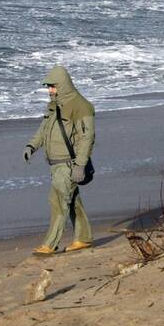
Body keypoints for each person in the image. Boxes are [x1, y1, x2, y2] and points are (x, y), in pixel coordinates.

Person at [24, 65, 95, 255]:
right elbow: (44, 129)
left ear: (62, 85)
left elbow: (87, 138)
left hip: (68, 164)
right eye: (48, 87)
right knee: (71, 201)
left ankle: (50, 244)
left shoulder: (81, 106)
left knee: (57, 201)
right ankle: (83, 238)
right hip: (55, 164)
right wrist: (32, 146)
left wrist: (80, 165)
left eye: (52, 86)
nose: (49, 90)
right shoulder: (54, 105)